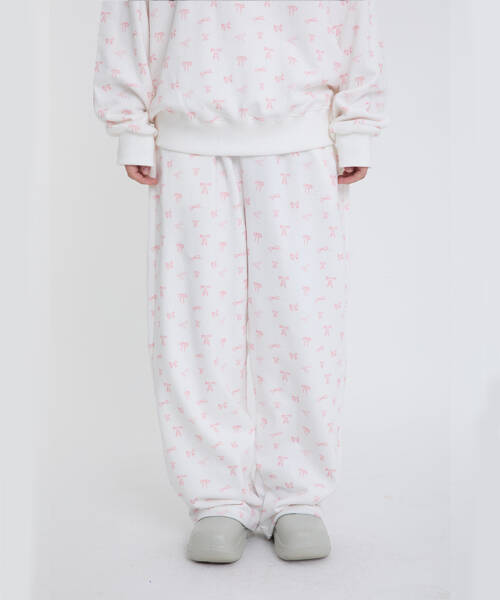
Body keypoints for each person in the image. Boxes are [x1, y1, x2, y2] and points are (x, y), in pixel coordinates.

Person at [93, 0, 389, 563]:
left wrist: (356, 126)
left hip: (300, 143)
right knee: (194, 330)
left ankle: (296, 495)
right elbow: (127, 16)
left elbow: (354, 17)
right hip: (189, 144)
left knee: (303, 325)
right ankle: (216, 497)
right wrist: (131, 126)